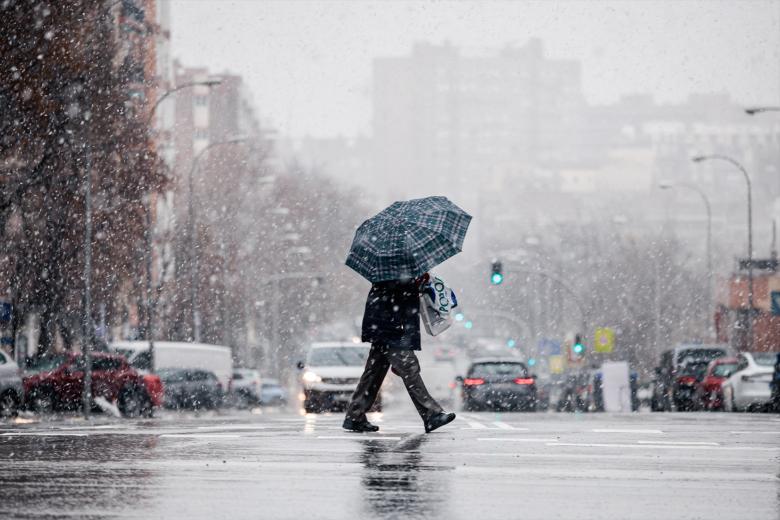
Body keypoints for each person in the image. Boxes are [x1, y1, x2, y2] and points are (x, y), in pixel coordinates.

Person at [343, 274, 456, 433]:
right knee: (409, 368)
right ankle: (431, 415)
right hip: (392, 328)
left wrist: (416, 283)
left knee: (374, 373)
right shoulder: (396, 270)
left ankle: (355, 416)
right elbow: (398, 293)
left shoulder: (390, 269)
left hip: (386, 326)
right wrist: (414, 283)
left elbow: (396, 293)